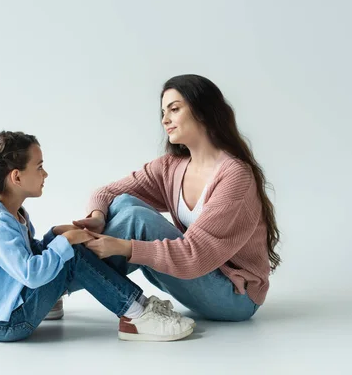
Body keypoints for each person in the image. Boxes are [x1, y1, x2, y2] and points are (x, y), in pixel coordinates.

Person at [75, 74, 281, 322]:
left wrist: (123, 247)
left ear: (203, 111)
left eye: (174, 109)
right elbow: (106, 193)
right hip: (198, 279)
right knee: (122, 204)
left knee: (138, 219)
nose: (165, 119)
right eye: (163, 112)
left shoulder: (235, 176)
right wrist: (97, 217)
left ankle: (53, 285)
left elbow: (195, 256)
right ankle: (55, 282)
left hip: (235, 296)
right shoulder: (171, 167)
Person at [0, 131, 194, 342]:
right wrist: (65, 242)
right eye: (39, 167)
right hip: (6, 324)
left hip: (12, 308)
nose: (45, 174)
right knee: (72, 253)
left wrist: (55, 234)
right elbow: (31, 273)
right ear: (16, 177)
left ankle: (137, 305)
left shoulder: (12, 212)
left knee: (68, 247)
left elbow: (23, 256)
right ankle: (136, 315)